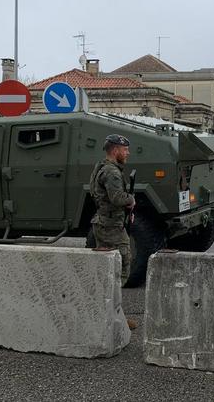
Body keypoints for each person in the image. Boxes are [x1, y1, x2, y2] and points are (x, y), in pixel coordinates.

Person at [89, 133, 138, 329]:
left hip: (107, 223)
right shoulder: (112, 172)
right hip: (111, 228)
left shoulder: (101, 166)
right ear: (116, 150)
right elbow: (117, 198)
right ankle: (112, 317)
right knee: (120, 269)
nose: (128, 153)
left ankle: (109, 315)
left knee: (109, 271)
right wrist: (131, 200)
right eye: (125, 150)